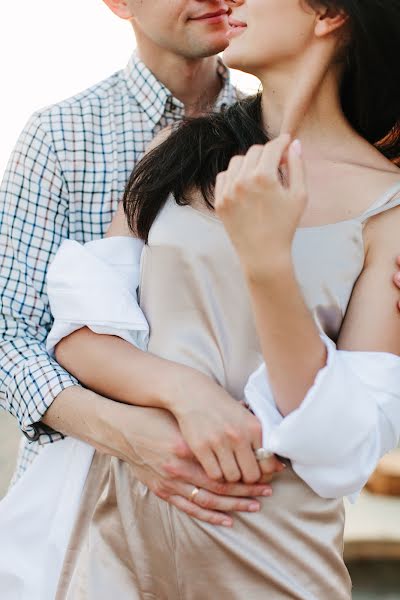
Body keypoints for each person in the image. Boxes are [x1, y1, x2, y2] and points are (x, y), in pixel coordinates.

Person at [36, 0, 400, 597]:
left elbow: (340, 447)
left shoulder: (388, 209)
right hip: (114, 557)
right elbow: (79, 333)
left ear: (330, 14)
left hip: (271, 566)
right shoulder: (177, 155)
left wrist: (268, 263)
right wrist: (188, 395)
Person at [0, 0, 280, 528]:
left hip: (245, 503)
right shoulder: (60, 136)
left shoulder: (278, 133)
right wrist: (131, 435)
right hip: (79, 513)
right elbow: (9, 334)